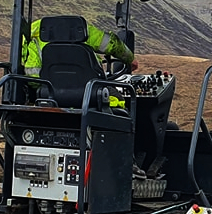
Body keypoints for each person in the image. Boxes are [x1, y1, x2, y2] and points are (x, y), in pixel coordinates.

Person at [23, 19, 146, 179]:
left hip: (50, 99)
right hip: (90, 99)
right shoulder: (83, 32)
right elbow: (112, 44)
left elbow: (31, 75)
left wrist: (45, 92)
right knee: (118, 100)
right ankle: (128, 164)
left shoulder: (34, 39)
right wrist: (130, 59)